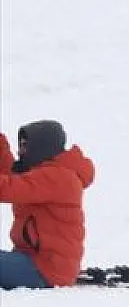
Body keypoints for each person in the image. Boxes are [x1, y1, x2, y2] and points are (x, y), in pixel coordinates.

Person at [0, 122, 96, 291]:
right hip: (31, 260)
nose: (21, 151)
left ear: (41, 147)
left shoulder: (57, 177)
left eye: (25, 146)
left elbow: (9, 188)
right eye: (20, 145)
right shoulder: (40, 172)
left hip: (45, 269)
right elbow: (12, 174)